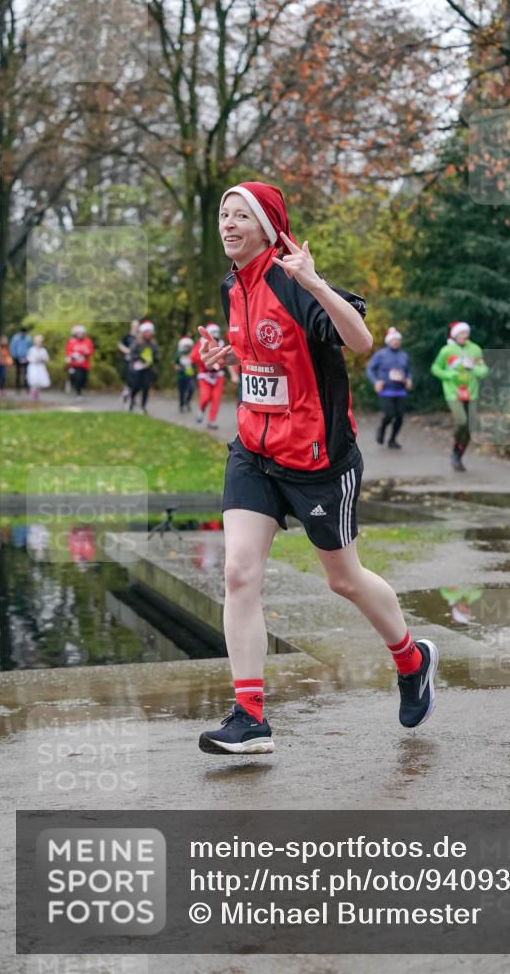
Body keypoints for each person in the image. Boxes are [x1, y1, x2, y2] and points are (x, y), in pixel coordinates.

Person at [197, 180, 439, 755]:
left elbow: (360, 339)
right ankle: (250, 718)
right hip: (254, 452)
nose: (228, 224)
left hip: (318, 461)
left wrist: (315, 282)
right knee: (239, 573)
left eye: (241, 216)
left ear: (267, 228)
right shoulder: (234, 285)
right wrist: (231, 357)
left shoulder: (293, 281)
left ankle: (412, 659)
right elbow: (271, 357)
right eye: (224, 214)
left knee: (343, 579)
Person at [430, 321, 488, 472]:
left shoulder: (475, 349)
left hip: (472, 392)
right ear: (455, 335)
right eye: (462, 333)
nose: (465, 335)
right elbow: (435, 368)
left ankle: (457, 455)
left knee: (470, 428)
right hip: (453, 392)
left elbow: (484, 370)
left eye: (467, 333)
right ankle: (456, 446)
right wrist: (449, 374)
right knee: (462, 421)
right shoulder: (447, 350)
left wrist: (474, 368)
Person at [366, 327, 413, 449]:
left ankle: (392, 440)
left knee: (400, 417)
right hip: (386, 391)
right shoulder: (380, 354)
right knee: (390, 415)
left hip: (400, 391)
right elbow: (370, 369)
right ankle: (381, 429)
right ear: (389, 341)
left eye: (398, 340)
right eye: (394, 340)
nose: (396, 342)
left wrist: (409, 379)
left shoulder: (403, 355)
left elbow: (407, 372)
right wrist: (376, 382)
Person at [190, 322, 225, 430]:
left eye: (216, 333)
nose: (214, 335)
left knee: (216, 399)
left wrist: (220, 362)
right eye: (212, 333)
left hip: (218, 375)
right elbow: (193, 356)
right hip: (204, 375)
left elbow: (226, 359)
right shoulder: (201, 343)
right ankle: (201, 410)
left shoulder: (221, 343)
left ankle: (211, 421)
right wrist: (205, 362)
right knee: (205, 397)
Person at [128, 320, 158, 414]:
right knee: (136, 386)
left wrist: (153, 359)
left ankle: (143, 406)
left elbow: (156, 355)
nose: (148, 334)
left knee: (146, 387)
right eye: (146, 332)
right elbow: (132, 354)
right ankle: (131, 400)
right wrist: (141, 358)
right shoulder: (137, 343)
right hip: (137, 369)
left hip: (147, 369)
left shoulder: (153, 344)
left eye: (149, 332)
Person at [64, 325, 94, 399]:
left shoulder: (87, 341)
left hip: (84, 365)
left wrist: (86, 352)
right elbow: (68, 351)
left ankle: (77, 386)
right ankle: (78, 393)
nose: (80, 335)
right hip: (75, 365)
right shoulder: (72, 341)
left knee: (84, 379)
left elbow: (91, 351)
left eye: (82, 333)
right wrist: (73, 355)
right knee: (78, 378)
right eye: (79, 333)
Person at [118, 319, 140, 407]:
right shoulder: (127, 336)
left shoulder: (140, 337)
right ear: (131, 326)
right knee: (129, 379)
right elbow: (120, 344)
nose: (136, 327)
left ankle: (131, 396)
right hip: (128, 360)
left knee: (136, 380)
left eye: (137, 326)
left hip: (137, 361)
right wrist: (126, 351)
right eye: (134, 325)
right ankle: (126, 393)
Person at [174, 336, 196, 413]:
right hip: (181, 376)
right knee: (182, 392)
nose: (186, 347)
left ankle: (187, 401)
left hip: (190, 376)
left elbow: (195, 362)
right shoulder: (179, 354)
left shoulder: (192, 354)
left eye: (188, 345)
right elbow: (175, 364)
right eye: (185, 345)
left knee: (191, 389)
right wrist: (179, 368)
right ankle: (181, 406)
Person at [26, 334, 51, 399]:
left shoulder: (43, 350)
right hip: (33, 366)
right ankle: (32, 392)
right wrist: (35, 359)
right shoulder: (32, 349)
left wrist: (42, 359)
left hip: (40, 367)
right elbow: (29, 358)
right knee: (33, 380)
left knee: (39, 380)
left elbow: (47, 358)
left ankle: (37, 392)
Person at [9, 325, 33, 392]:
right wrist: (15, 357)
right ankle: (17, 387)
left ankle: (26, 386)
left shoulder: (28, 338)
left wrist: (29, 357)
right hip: (17, 358)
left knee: (27, 373)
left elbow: (31, 348)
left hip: (27, 358)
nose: (23, 334)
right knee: (18, 373)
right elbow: (12, 347)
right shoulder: (15, 338)